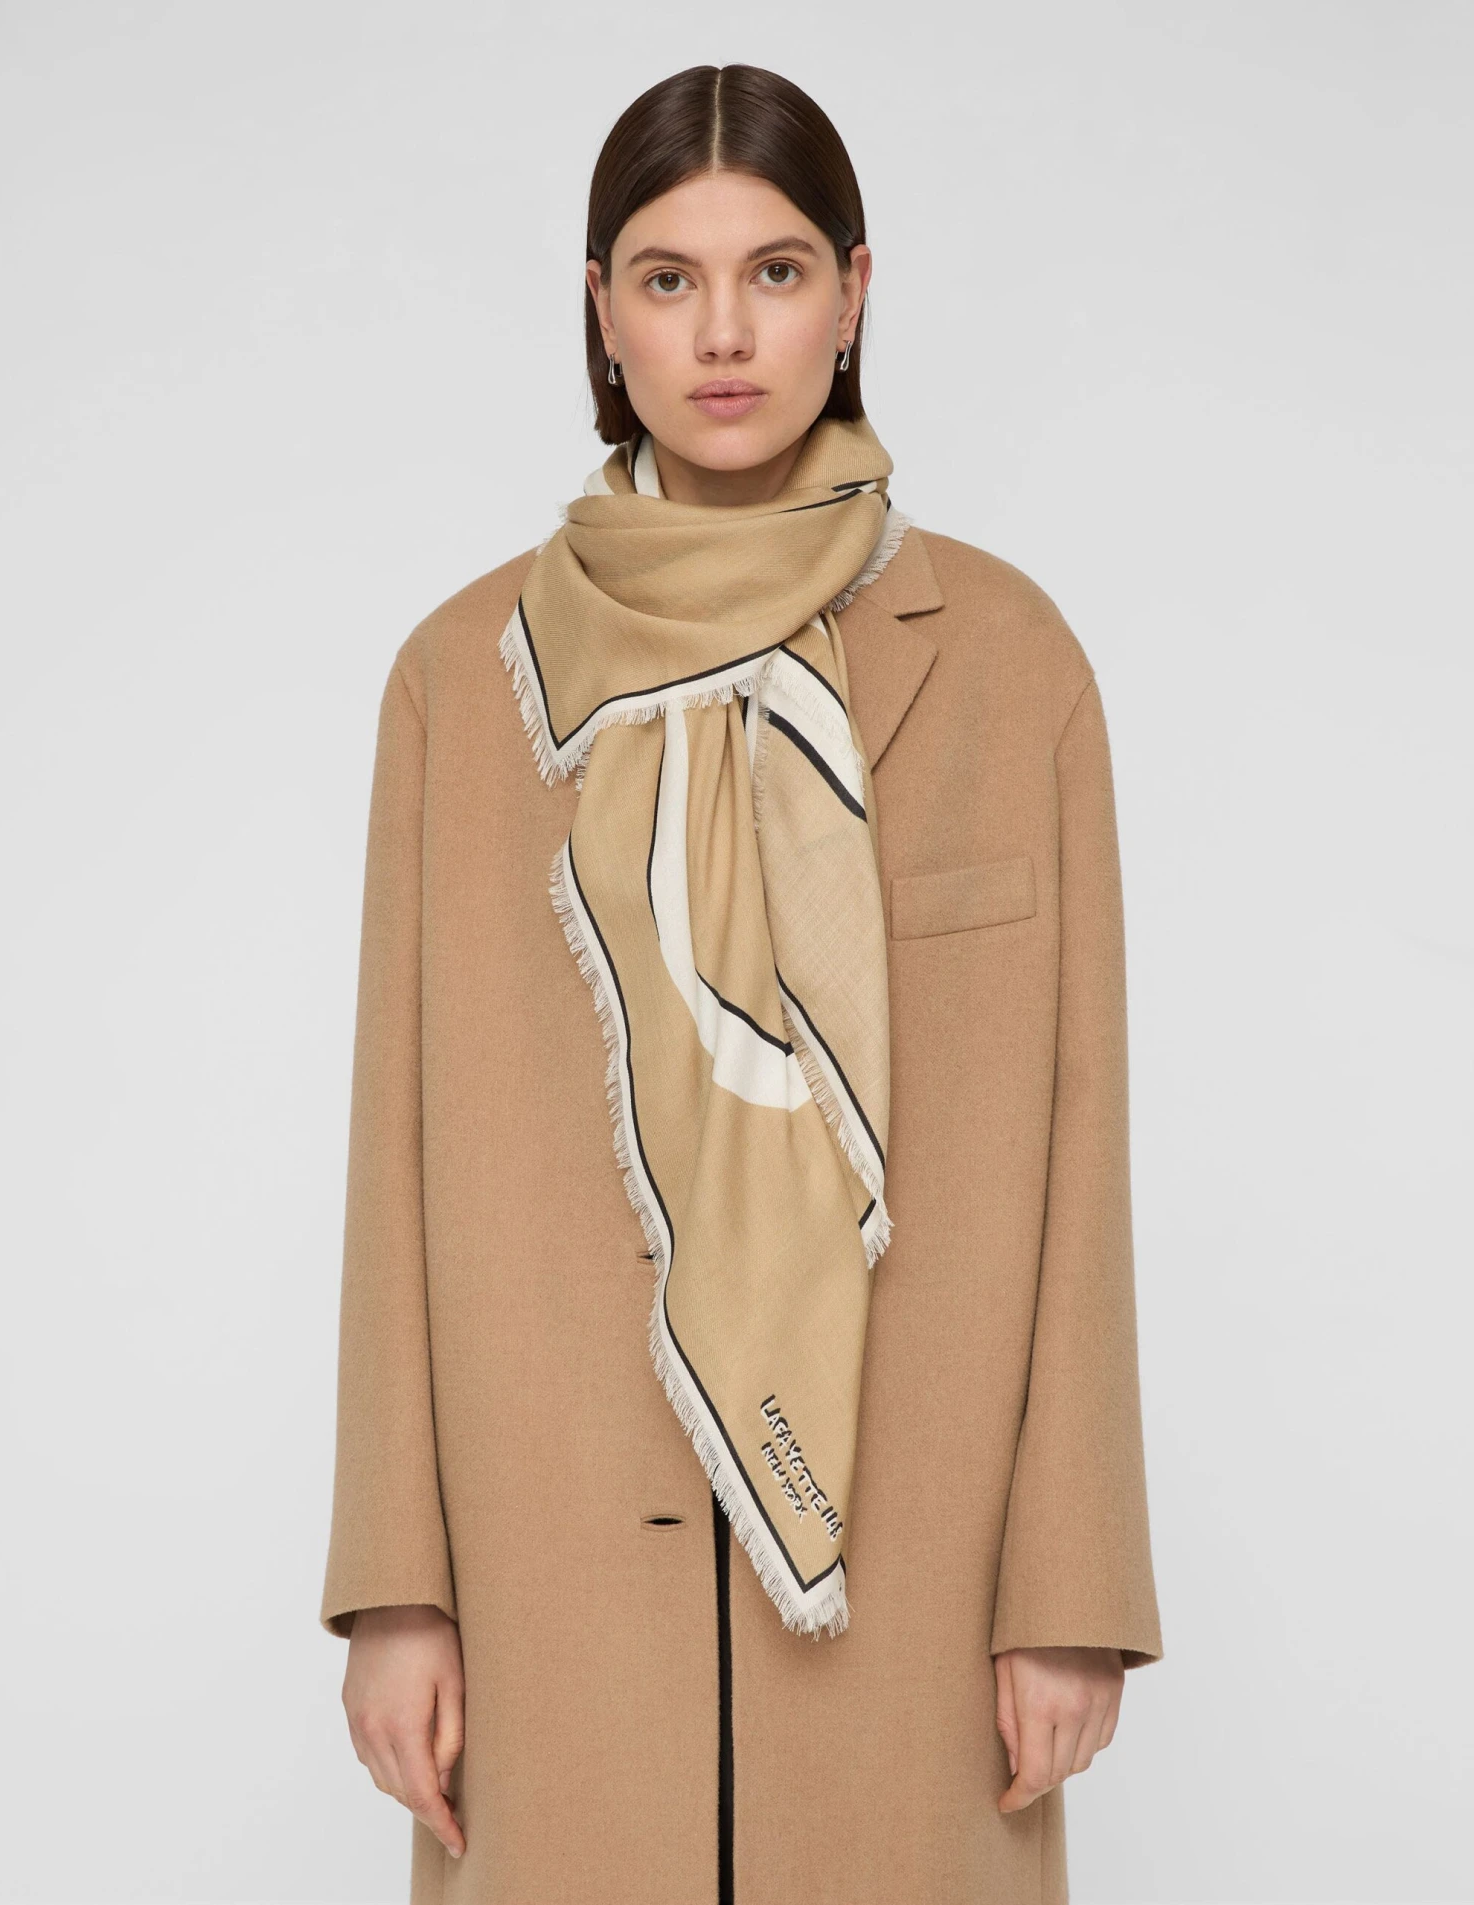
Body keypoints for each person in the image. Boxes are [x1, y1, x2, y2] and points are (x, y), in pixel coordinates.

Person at [320, 62, 1162, 1905]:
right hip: (545, 1585)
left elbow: (1080, 1142)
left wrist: (1072, 1585)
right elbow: (395, 1159)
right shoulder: (465, 680)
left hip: (921, 1588)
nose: (722, 333)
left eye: (775, 273)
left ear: (853, 295)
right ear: (601, 312)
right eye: (667, 277)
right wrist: (396, 1590)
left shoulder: (1008, 663)